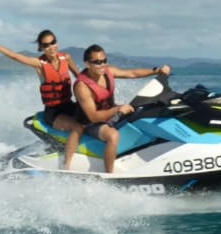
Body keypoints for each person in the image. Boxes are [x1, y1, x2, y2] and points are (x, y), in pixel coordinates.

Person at [0, 28, 83, 163]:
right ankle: (68, 164)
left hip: (69, 106)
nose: (51, 47)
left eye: (53, 43)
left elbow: (81, 78)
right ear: (41, 48)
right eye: (46, 45)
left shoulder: (66, 58)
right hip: (54, 113)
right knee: (77, 127)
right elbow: (13, 56)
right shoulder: (39, 64)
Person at [72, 44, 171, 174]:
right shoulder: (82, 86)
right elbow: (93, 117)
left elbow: (132, 73)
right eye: (97, 62)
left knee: (144, 114)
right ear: (87, 64)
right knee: (113, 136)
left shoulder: (108, 71)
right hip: (90, 123)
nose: (102, 65)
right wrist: (117, 109)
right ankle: (109, 175)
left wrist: (157, 71)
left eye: (104, 61)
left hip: (111, 114)